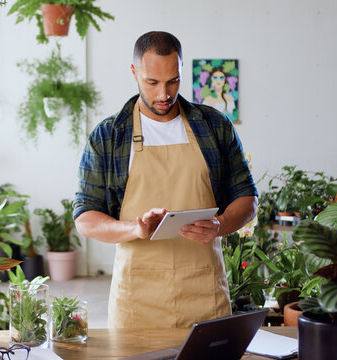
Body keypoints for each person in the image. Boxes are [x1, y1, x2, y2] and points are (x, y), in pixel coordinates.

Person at [73, 31, 257, 329]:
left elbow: (247, 199)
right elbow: (85, 218)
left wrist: (219, 226)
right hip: (136, 300)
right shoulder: (109, 135)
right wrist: (135, 227)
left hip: (204, 295)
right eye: (152, 82)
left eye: (173, 81)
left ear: (182, 70)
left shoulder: (214, 126)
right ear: (134, 72)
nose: (164, 94)